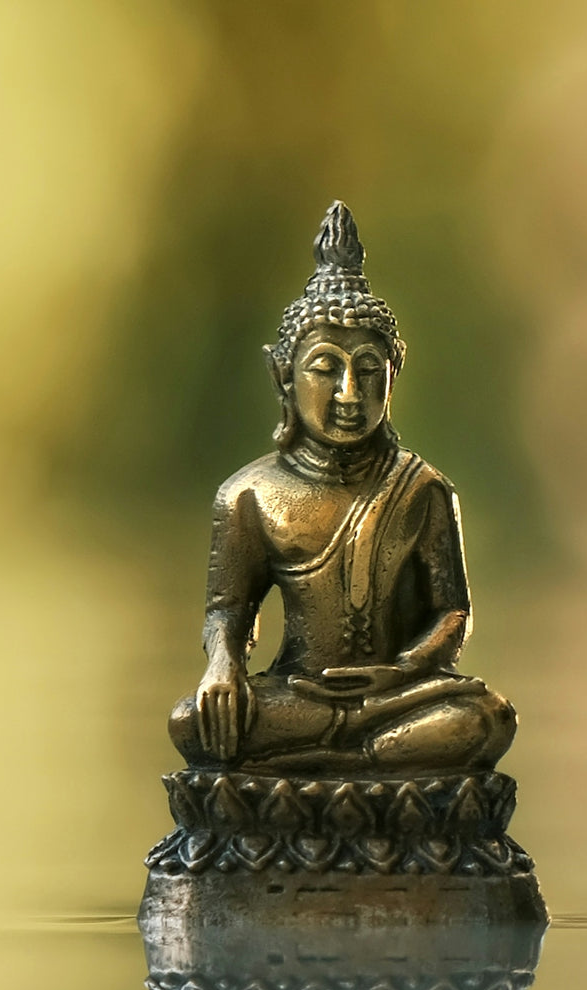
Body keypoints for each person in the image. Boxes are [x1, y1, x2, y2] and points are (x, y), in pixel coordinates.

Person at [169, 202, 516, 774]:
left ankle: (331, 764)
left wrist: (402, 671)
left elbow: (452, 614)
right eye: (326, 367)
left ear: (394, 374)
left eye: (369, 369)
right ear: (283, 374)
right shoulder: (250, 495)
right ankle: (370, 764)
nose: (349, 392)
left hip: (394, 698)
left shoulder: (422, 488)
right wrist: (223, 666)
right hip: (299, 697)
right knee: (192, 723)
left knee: (486, 716)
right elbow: (227, 612)